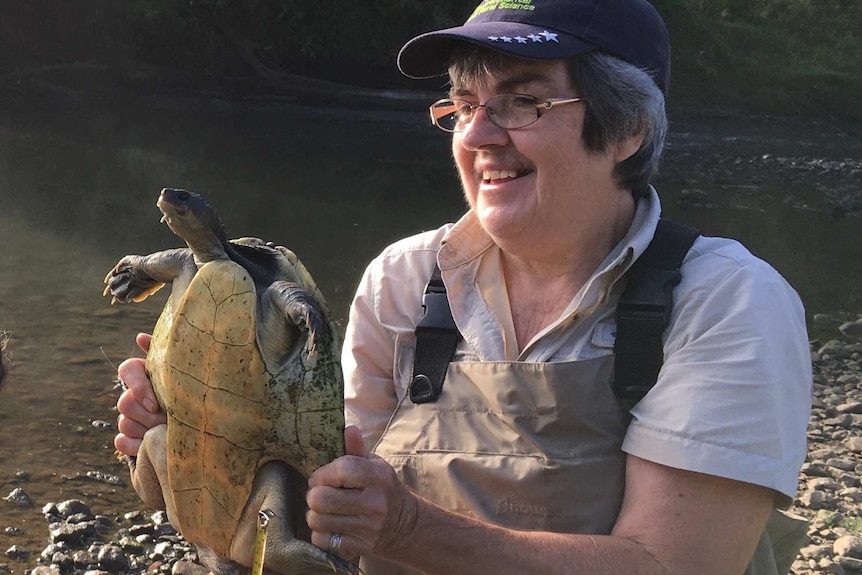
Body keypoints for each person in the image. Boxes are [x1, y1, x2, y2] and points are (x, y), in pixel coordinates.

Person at [115, 0, 813, 573]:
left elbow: (669, 564)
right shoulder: (407, 275)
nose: (477, 134)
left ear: (627, 126)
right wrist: (204, 432)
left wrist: (411, 527)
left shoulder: (726, 299)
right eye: (462, 103)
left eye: (523, 103)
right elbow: (315, 484)